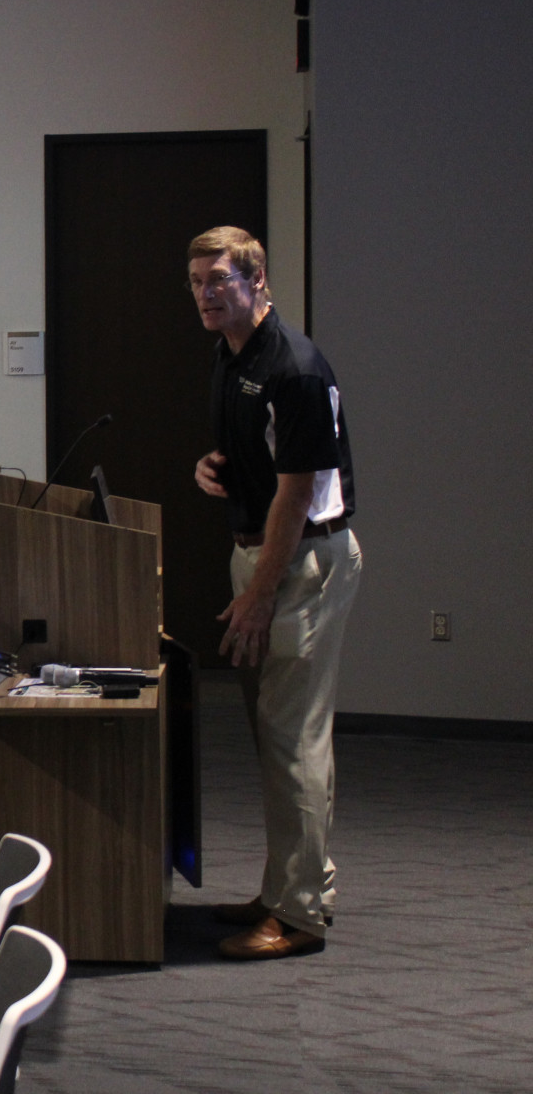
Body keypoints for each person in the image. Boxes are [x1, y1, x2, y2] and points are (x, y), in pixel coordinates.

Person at [187, 226, 362, 962]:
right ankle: (294, 886)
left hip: (299, 567)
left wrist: (260, 595)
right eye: (197, 282)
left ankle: (298, 917)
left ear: (259, 283)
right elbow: (258, 460)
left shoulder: (293, 367)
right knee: (281, 736)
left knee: (292, 741)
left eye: (220, 281)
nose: (205, 294)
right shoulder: (232, 358)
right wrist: (210, 469)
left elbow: (298, 494)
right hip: (262, 557)